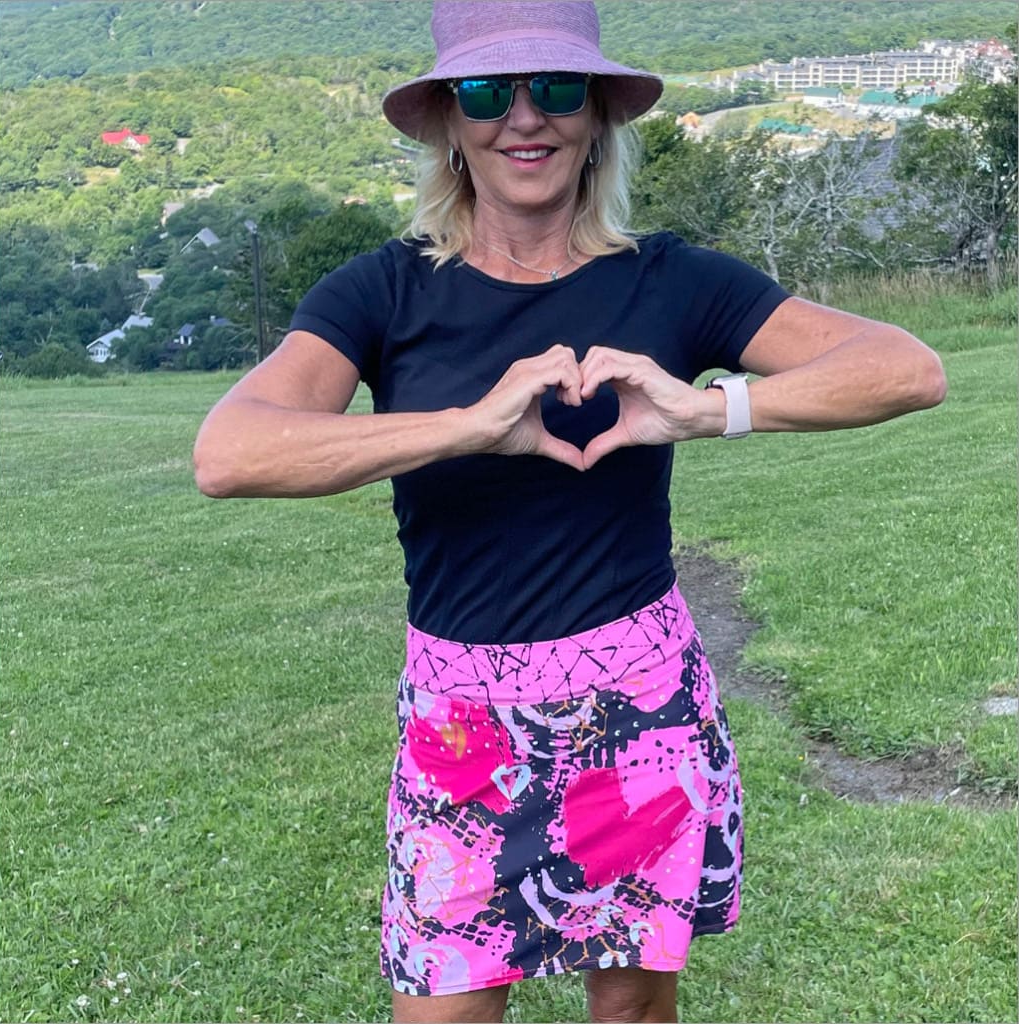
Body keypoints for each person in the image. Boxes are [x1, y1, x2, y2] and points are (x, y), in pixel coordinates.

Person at [193, 3, 946, 1021]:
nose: (521, 119)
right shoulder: (382, 293)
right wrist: (467, 425)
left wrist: (707, 406)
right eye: (483, 93)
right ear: (448, 123)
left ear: (594, 116)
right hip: (458, 729)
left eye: (553, 89)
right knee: (445, 1008)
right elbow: (230, 453)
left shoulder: (670, 280)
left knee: (631, 1010)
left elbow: (905, 368)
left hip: (636, 709)